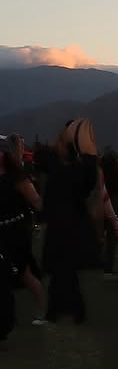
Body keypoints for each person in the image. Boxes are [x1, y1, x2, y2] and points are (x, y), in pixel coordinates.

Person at [41, 119, 104, 323]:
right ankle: (69, 311)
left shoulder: (77, 167)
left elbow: (86, 187)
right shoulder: (67, 165)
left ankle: (64, 312)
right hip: (65, 223)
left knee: (63, 270)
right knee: (64, 271)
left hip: (67, 224)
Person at [0, 134, 47, 323]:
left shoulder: (17, 178)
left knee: (24, 273)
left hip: (16, 232)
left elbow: (36, 201)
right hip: (1, 232)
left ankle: (43, 308)